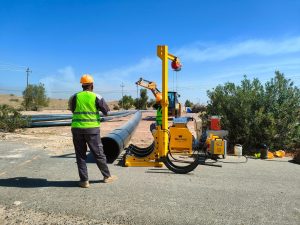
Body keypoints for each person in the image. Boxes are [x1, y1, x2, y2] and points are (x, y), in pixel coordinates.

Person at [68, 74, 117, 188]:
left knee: (80, 155)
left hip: (77, 129)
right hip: (92, 130)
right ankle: (107, 176)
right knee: (98, 153)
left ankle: (84, 181)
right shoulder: (97, 97)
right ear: (92, 85)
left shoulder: (74, 97)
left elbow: (72, 110)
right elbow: (106, 112)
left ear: (82, 85)